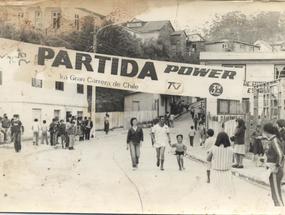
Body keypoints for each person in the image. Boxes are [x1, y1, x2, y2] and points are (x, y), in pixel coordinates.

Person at [207, 132, 234, 198]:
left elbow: (208, 159)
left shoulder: (214, 148)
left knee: (216, 194)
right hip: (227, 173)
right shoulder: (231, 149)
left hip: (216, 173)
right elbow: (232, 160)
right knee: (227, 193)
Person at [263, 123, 284, 206]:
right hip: (273, 169)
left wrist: (277, 166)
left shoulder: (274, 140)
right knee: (275, 195)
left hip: (275, 171)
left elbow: (280, 154)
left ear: (266, 131)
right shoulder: (273, 140)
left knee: (277, 197)